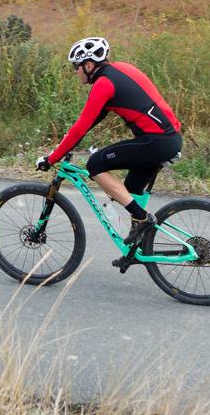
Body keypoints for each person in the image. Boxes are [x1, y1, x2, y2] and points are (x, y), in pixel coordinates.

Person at [36, 36, 183, 269]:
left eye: (77, 67)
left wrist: (51, 158)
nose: (76, 72)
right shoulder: (121, 69)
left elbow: (81, 127)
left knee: (95, 165)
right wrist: (66, 144)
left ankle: (142, 219)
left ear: (89, 65)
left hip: (155, 141)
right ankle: (134, 249)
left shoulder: (103, 84)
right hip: (169, 139)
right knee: (129, 191)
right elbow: (86, 124)